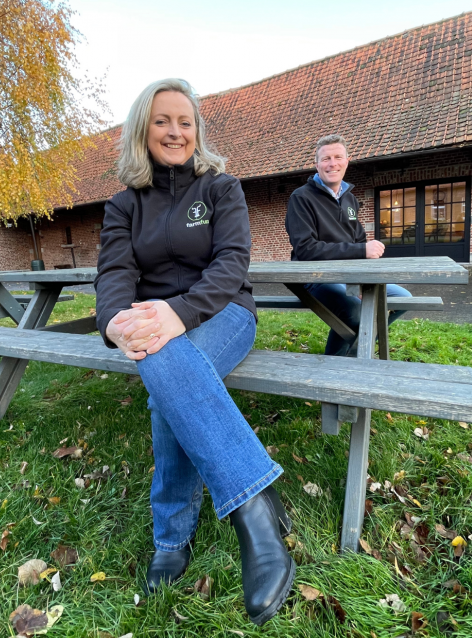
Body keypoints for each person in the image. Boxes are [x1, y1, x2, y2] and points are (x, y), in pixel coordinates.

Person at [94, 78, 294, 626]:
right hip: (155, 324)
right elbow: (114, 274)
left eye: (186, 121)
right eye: (163, 120)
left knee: (163, 367)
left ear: (197, 131)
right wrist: (115, 323)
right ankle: (255, 502)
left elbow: (232, 265)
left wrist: (178, 314)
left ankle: (181, 535)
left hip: (223, 312)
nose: (176, 131)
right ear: (143, 128)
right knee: (165, 370)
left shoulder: (221, 189)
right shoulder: (123, 204)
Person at [285, 134, 412, 356]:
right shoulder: (301, 198)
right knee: (357, 312)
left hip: (348, 276)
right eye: (326, 159)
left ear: (347, 161)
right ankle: (342, 360)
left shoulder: (349, 199)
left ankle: (350, 354)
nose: (332, 163)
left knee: (402, 298)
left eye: (337, 157)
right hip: (314, 277)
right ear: (317, 164)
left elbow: (358, 239)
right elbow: (306, 249)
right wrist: (362, 250)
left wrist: (361, 280)